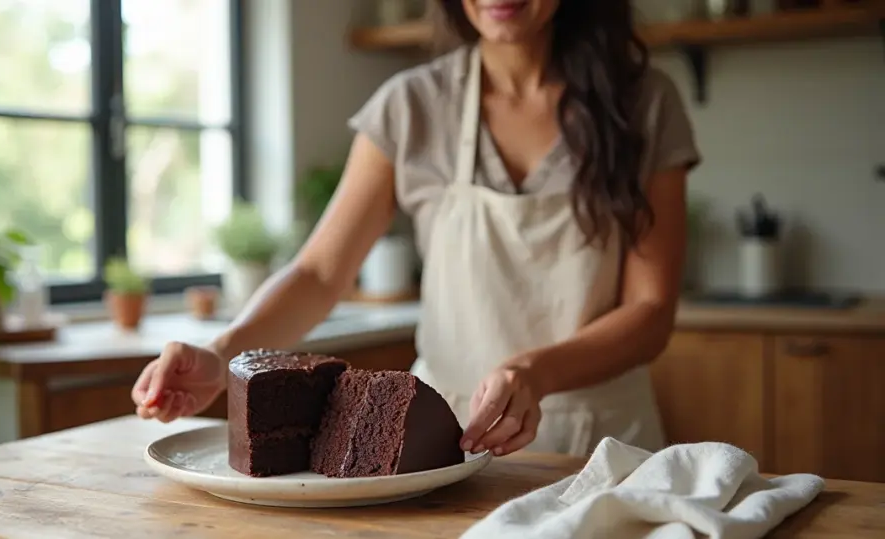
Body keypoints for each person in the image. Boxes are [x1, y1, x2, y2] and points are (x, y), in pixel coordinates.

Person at [131, 0, 700, 458]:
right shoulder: (409, 107)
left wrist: (532, 370)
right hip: (438, 438)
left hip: (603, 444)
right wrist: (224, 353)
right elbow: (321, 272)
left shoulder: (645, 104)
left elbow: (651, 312)